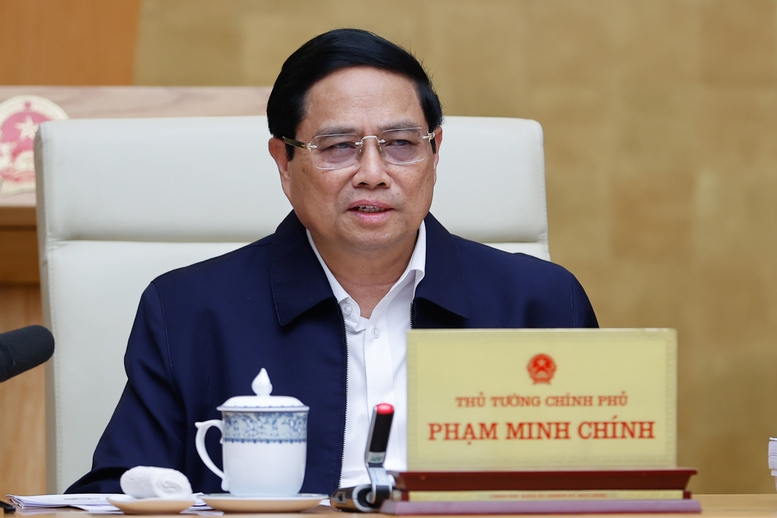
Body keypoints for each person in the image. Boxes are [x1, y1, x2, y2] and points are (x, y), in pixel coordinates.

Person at [67, 28, 597, 495]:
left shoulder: (540, 304)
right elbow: (119, 489)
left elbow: (605, 490)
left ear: (436, 152)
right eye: (339, 146)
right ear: (284, 161)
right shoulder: (189, 310)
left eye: (400, 143)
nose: (373, 173)